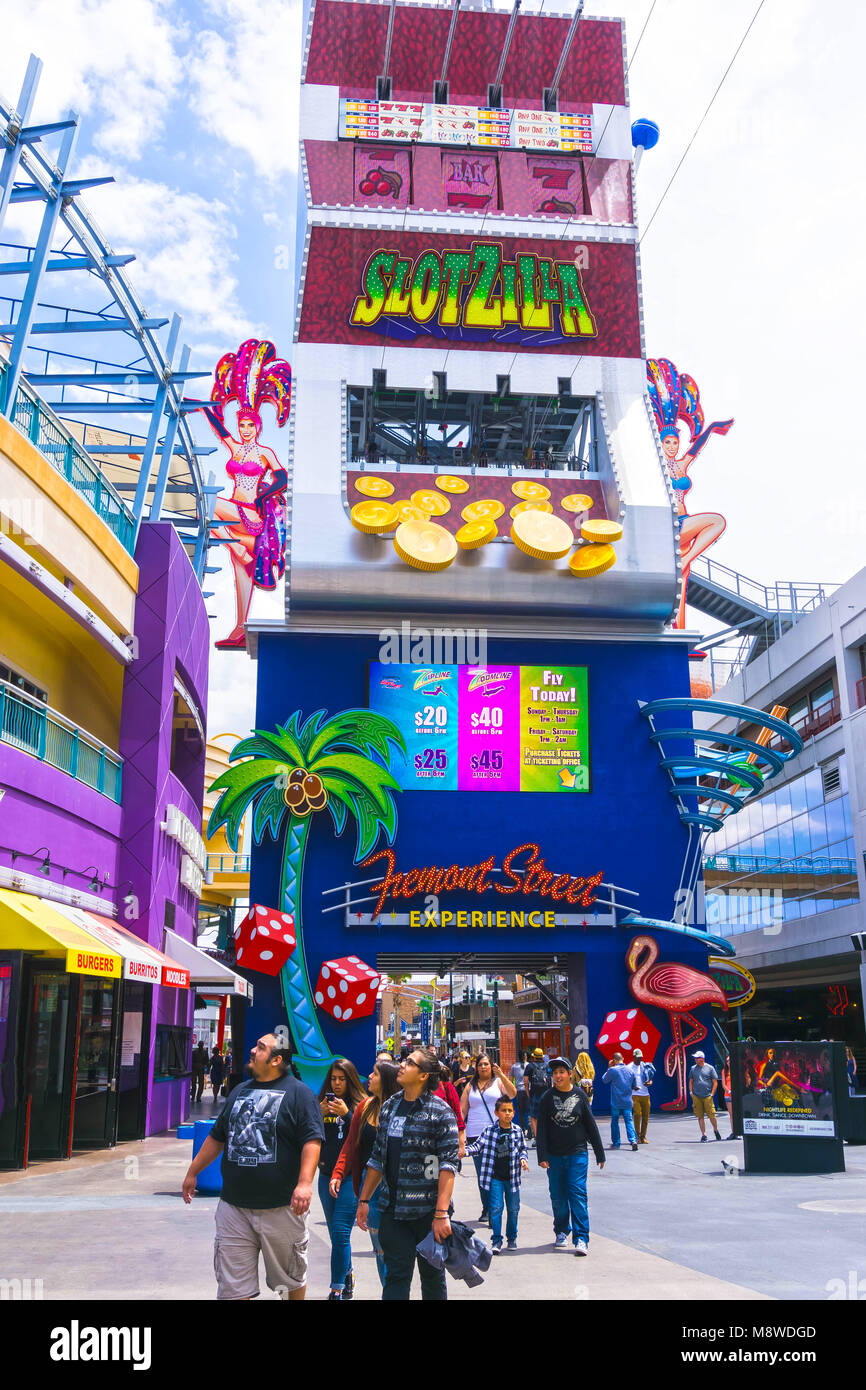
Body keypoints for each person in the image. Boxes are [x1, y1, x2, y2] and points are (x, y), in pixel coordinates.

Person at [182, 1032, 324, 1300]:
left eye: (260, 1047)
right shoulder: (240, 1091)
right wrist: (193, 1171)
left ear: (276, 1060)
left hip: (281, 1208)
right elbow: (217, 1137)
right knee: (233, 1286)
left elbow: (312, 1141)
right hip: (234, 1207)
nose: (252, 1050)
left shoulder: (300, 1094)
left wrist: (305, 1184)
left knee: (290, 1281)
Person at [203, 338, 291, 649]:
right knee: (241, 575)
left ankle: (239, 548)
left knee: (207, 501)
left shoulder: (265, 452)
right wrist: (206, 405)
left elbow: (282, 477)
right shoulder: (234, 447)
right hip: (236, 516)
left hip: (251, 514)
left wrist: (264, 496)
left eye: (249, 425)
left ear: (256, 426)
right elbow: (218, 425)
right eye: (241, 425)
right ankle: (239, 631)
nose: (244, 430)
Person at [357, 1048, 459, 1301]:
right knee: (396, 1277)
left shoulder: (440, 1111)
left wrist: (441, 1214)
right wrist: (364, 1200)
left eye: (410, 1063)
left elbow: (447, 1166)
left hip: (428, 1216)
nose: (402, 1065)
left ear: (424, 1075)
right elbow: (377, 1158)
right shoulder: (390, 1106)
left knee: (433, 1279)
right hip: (393, 1212)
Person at [331, 1059, 400, 1290]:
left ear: (387, 1081)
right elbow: (351, 1145)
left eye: (375, 1074)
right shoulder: (365, 1107)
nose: (369, 1077)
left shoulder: (401, 1108)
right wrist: (339, 1172)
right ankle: (389, 1293)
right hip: (370, 1188)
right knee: (380, 1249)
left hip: (398, 1188)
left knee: (395, 1249)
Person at [536, 1058, 604, 1255]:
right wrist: (542, 1155)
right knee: (558, 1196)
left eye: (561, 1072)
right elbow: (541, 1128)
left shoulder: (580, 1095)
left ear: (570, 1074)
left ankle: (582, 1238)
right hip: (554, 1156)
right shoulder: (548, 1098)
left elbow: (590, 1125)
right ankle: (562, 1231)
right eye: (555, 1072)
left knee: (577, 1193)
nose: (558, 1076)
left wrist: (600, 1153)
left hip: (577, 1153)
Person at [317, 1058, 366, 1301]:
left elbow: (365, 1137)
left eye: (342, 1079)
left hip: (350, 1178)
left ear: (350, 1080)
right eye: (333, 1079)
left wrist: (348, 1115)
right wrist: (318, 1113)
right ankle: (347, 1273)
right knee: (335, 1234)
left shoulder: (360, 1106)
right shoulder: (321, 1103)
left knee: (340, 1231)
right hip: (325, 1175)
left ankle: (336, 1288)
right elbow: (306, 1134)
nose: (337, 1084)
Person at [466, 1096, 529, 1252]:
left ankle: (512, 1238)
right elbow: (477, 1146)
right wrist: (464, 1151)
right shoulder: (489, 1131)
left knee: (513, 1209)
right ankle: (496, 1240)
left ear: (514, 1113)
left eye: (510, 1110)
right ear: (496, 1113)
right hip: (495, 1178)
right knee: (496, 1208)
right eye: (504, 1111)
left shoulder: (517, 1131)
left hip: (512, 1178)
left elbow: (523, 1149)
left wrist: (523, 1159)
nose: (507, 1113)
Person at [461, 1054, 517, 1221]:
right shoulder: (470, 1086)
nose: (483, 1067)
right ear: (476, 1067)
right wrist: (461, 1134)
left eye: (486, 1064)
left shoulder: (498, 1082)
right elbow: (462, 1110)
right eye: (480, 1065)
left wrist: (501, 1075)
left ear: (492, 1066)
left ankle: (494, 1208)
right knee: (482, 1174)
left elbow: (512, 1094)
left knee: (495, 1173)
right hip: (475, 1135)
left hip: (496, 1134)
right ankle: (487, 1207)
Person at [602, 1052, 639, 1150]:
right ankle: (633, 1141)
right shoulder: (630, 1070)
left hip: (616, 1101)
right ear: (622, 1058)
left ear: (614, 1060)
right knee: (629, 1121)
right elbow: (634, 1085)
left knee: (615, 1122)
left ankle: (616, 1142)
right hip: (627, 1101)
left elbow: (604, 1080)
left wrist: (609, 1068)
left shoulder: (613, 1070)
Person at [433, 1064, 466, 1158]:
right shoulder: (414, 1088)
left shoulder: (445, 1085)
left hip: (444, 1140)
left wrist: (461, 1145)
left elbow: (458, 1116)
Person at [689, 1049, 722, 1142]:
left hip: (708, 1095)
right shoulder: (693, 1069)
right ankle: (704, 1135)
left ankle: (716, 1130)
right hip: (696, 1096)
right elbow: (691, 1081)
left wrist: (712, 1094)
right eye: (695, 1058)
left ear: (702, 1058)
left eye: (697, 1058)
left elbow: (715, 1082)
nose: (695, 1059)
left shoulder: (710, 1068)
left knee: (712, 1115)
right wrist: (691, 1093)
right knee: (700, 1116)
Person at [628, 1048, 655, 1144]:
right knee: (637, 1114)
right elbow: (626, 1081)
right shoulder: (629, 1067)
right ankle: (637, 1136)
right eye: (638, 1058)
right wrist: (632, 1087)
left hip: (645, 1094)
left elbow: (651, 1078)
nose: (640, 1059)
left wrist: (650, 1083)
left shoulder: (645, 1066)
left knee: (645, 1116)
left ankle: (643, 1137)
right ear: (634, 1057)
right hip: (634, 1094)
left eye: (641, 1057)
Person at [524, 1047, 551, 1144]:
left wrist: (528, 1093)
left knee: (533, 1117)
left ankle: (537, 1138)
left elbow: (526, 1082)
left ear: (534, 1057)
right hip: (546, 1094)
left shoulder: (530, 1066)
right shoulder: (547, 1065)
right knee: (545, 1116)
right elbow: (550, 1081)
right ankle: (546, 1136)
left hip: (534, 1094)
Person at [510, 1053, 531, 1136]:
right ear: (525, 1057)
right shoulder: (529, 1066)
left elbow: (510, 1080)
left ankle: (522, 1130)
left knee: (520, 1112)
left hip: (519, 1091)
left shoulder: (514, 1067)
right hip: (528, 1090)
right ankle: (530, 1131)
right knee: (529, 1111)